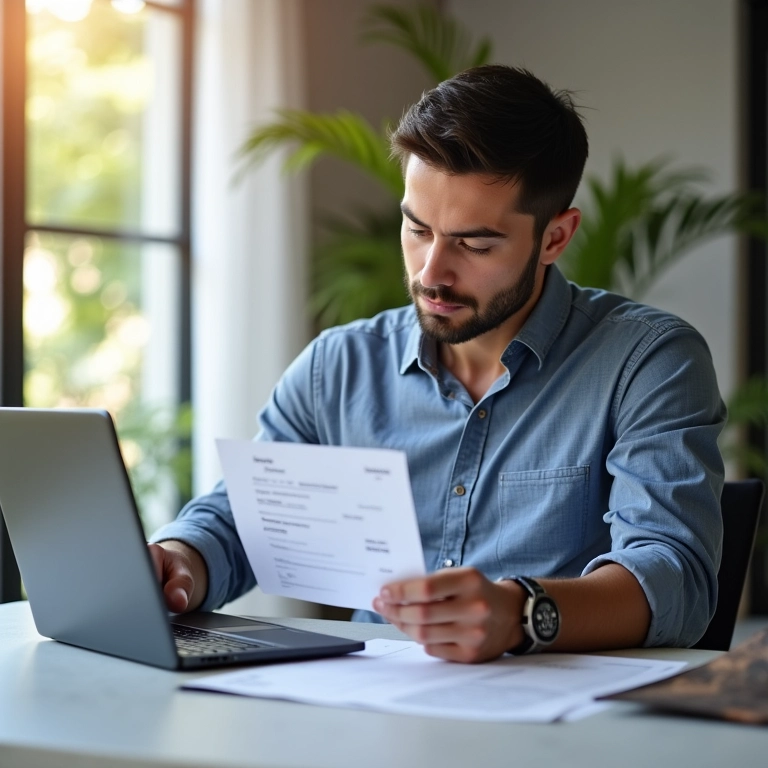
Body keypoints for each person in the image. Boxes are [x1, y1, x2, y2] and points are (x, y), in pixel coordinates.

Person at [149, 65, 725, 663]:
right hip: (372, 721)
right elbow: (249, 522)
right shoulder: (337, 368)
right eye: (417, 228)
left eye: (474, 245)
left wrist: (520, 614)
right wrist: (178, 559)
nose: (431, 273)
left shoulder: (648, 362)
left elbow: (674, 577)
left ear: (555, 238)